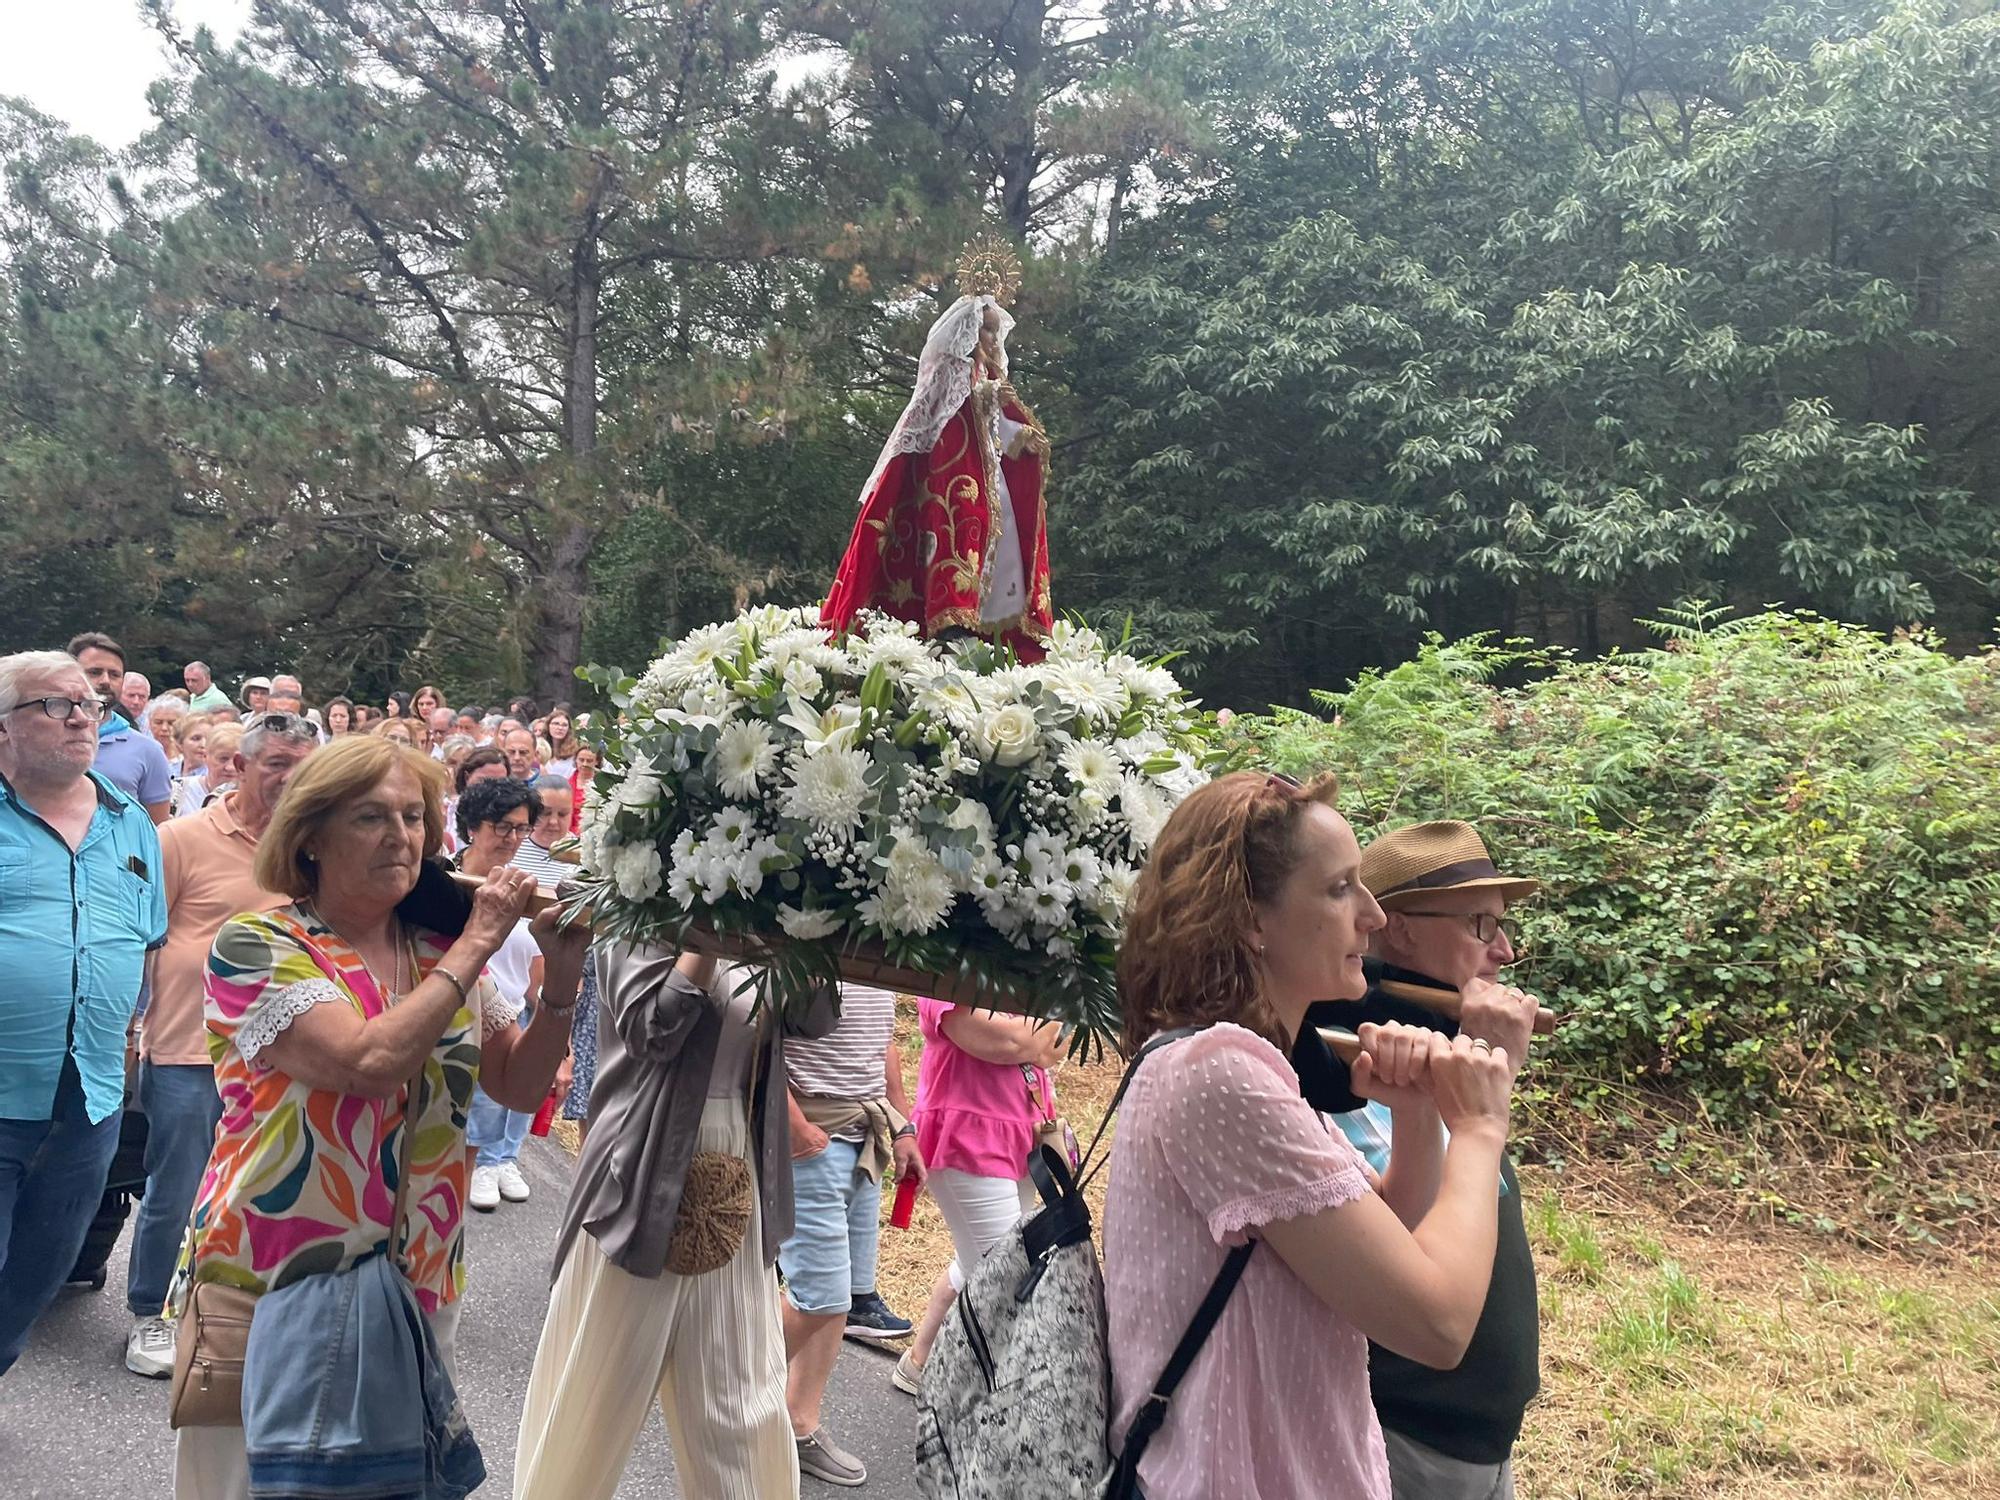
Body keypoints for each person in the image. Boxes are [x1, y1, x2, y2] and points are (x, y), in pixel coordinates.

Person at [167, 736, 584, 1496]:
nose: (401, 836)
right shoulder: (258, 944)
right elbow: (366, 1063)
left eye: (414, 817)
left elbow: (520, 1087)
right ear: (311, 839)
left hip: (417, 1274)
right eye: (370, 817)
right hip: (275, 1274)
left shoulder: (436, 952)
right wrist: (482, 937)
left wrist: (564, 974)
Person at [1103, 771, 1530, 1500]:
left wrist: (1419, 1112)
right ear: (1250, 921)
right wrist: (1482, 1125)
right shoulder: (1221, 1075)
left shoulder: (1243, 1062)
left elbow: (1385, 1233)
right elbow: (1437, 1324)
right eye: (1340, 890)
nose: (1370, 915)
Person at [514, 950, 836, 1500]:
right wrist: (707, 932)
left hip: (735, 1166)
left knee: (741, 1397)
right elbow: (651, 1030)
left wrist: (807, 926)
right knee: (598, 1387)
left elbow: (816, 1017)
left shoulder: (766, 909)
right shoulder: (639, 897)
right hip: (640, 1169)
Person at [1305, 821, 1545, 1500]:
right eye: (1480, 923)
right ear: (1400, 931)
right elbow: (1397, 1235)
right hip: (1402, 1435)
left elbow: (1473, 1197)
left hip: (1473, 1439)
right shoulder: (1351, 1054)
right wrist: (1472, 1095)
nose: (1503, 949)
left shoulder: (1437, 1045)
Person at [120, 713, 320, 1379]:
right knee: (175, 1187)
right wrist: (129, 1031)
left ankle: (232, 1310)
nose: (291, 780)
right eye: (277, 765)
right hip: (188, 1050)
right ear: (237, 767)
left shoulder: (310, 851)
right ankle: (151, 1312)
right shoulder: (180, 838)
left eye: (303, 767)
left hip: (282, 1055)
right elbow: (142, 940)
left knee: (258, 1189)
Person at [0, 651, 166, 1376]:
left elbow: (149, 941)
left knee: (42, 1268)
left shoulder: (131, 824)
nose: (80, 716)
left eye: (89, 706)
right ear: (4, 727)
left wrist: (140, 1036)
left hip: (91, 1097)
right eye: (55, 705)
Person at [822, 272, 1054, 661]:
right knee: (959, 529)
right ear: (967, 332)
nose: (992, 342)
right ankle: (951, 620)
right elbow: (943, 422)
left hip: (987, 475)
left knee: (995, 542)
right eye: (985, 332)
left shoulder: (991, 376)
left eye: (995, 334)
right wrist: (985, 398)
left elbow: (998, 432)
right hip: (953, 475)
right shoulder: (951, 371)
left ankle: (987, 623)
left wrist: (1021, 438)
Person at [779, 984, 923, 1486]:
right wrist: (793, 1124)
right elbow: (756, 1032)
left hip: (861, 1132)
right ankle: (724, 1380)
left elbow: (883, 1042)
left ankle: (799, 1425)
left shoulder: (878, 935)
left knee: (840, 1302)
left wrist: (903, 1127)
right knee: (821, 1297)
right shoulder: (810, 918)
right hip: (810, 1135)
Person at [892, 1003, 1061, 1397]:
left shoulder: (1015, 962)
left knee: (978, 1262)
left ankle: (920, 1363)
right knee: (1006, 1272)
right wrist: (1028, 1037)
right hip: (965, 1137)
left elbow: (1053, 1045)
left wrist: (1027, 1041)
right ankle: (985, 1393)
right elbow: (1010, 1042)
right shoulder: (948, 977)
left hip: (1020, 1132)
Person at [452, 777, 549, 1212]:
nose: (512, 838)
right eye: (502, 826)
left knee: (474, 1146)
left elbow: (535, 965)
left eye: (521, 828)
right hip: (449, 1020)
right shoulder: (445, 878)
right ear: (473, 826)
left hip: (502, 1024)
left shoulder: (529, 889)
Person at [69, 632, 171, 824]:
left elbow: (157, 832)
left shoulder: (147, 751)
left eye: (114, 674)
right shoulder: (44, 739)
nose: (106, 681)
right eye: (95, 672)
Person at [511, 775, 572, 885]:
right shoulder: (511, 843)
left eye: (562, 814)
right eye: (545, 813)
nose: (553, 821)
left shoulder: (584, 854)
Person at [168, 714, 213, 819]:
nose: (203, 744)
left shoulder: (212, 776)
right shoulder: (168, 769)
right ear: (179, 743)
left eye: (209, 739)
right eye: (196, 738)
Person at [543, 703, 581, 778]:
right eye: (556, 724)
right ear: (548, 726)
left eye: (564, 725)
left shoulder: (575, 752)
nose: (560, 728)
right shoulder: (541, 749)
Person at [568, 745, 600, 833]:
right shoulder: (566, 784)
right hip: (569, 834)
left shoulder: (602, 785)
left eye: (589, 761)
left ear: (597, 762)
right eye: (581, 760)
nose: (584, 764)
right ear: (576, 760)